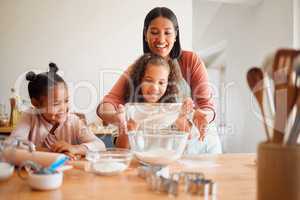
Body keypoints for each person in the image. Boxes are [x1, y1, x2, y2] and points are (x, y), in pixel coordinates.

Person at [97, 7, 216, 146]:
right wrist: (118, 119)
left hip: (199, 143)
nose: (161, 39)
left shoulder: (190, 60)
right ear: (145, 35)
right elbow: (106, 105)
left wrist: (200, 115)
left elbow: (206, 106)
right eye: (154, 32)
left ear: (175, 35)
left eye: (167, 33)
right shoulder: (137, 69)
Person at [10, 63, 105, 159]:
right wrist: (54, 153)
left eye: (66, 101)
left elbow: (100, 146)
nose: (63, 108)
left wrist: (75, 148)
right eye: (56, 104)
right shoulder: (30, 117)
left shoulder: (74, 121)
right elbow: (13, 145)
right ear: (36, 103)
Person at [114, 53, 194, 148]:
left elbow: (188, 139)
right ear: (140, 80)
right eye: (149, 80)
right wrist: (128, 128)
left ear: (168, 84)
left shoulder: (172, 110)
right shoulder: (129, 110)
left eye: (161, 82)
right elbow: (120, 148)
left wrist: (181, 117)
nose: (155, 88)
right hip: (137, 161)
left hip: (166, 160)